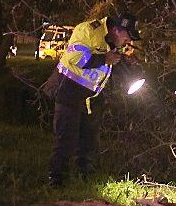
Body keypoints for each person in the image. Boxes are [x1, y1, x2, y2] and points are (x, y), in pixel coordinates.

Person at [48, 12, 140, 187]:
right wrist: (104, 58)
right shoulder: (88, 31)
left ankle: (86, 176)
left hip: (92, 97)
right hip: (69, 91)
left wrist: (130, 71)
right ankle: (57, 180)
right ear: (117, 30)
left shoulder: (113, 42)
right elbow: (75, 58)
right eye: (128, 37)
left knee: (89, 139)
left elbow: (112, 65)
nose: (129, 42)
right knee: (66, 137)